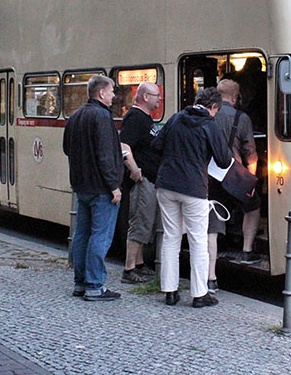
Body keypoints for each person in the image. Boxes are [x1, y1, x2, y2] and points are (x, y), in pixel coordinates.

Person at [153, 87, 232, 308]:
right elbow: (224, 160)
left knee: (171, 237)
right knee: (198, 240)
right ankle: (199, 294)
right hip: (193, 187)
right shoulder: (209, 125)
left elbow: (156, 145)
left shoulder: (176, 118)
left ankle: (170, 291)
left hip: (166, 184)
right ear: (214, 107)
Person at [62, 75, 124, 301]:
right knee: (100, 236)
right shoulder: (103, 117)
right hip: (101, 187)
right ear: (101, 93)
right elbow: (106, 156)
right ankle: (95, 285)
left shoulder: (76, 116)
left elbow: (67, 148)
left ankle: (80, 283)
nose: (114, 95)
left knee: (81, 234)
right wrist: (114, 186)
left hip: (81, 185)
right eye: (111, 91)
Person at [208, 80, 260, 288]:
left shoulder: (208, 115)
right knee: (253, 206)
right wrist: (251, 181)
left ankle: (211, 267)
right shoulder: (242, 117)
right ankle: (247, 250)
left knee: (214, 214)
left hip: (210, 175)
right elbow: (251, 153)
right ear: (234, 97)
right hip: (234, 174)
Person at [119, 82, 163, 284]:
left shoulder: (144, 118)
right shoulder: (135, 118)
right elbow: (124, 144)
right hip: (142, 180)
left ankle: (139, 264)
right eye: (156, 95)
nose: (159, 99)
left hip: (151, 178)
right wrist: (135, 170)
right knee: (139, 222)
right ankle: (129, 269)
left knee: (147, 223)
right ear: (145, 97)